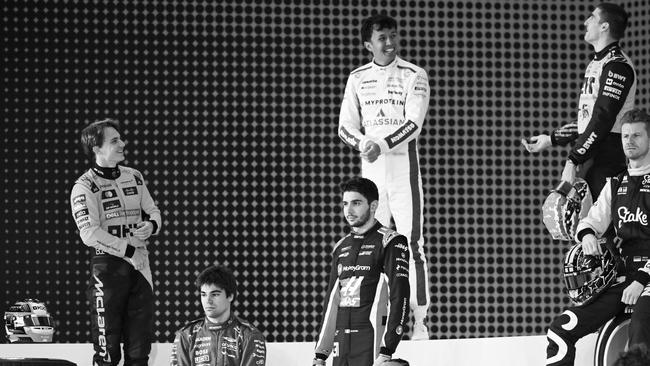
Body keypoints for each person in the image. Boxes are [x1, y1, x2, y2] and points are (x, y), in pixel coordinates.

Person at [337, 13, 431, 340]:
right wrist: (365, 143)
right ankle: (375, 321)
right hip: (371, 171)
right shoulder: (357, 77)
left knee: (409, 243)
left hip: (403, 167)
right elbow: (344, 126)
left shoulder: (414, 74)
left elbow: (413, 123)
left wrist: (381, 143)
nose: (389, 43)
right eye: (382, 38)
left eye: (393, 35)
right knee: (373, 245)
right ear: (368, 44)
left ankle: (418, 323)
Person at [545, 108, 650, 366]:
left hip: (647, 278)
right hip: (623, 276)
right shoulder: (616, 183)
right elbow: (592, 220)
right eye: (625, 136)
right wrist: (588, 234)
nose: (629, 141)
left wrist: (642, 279)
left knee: (638, 343)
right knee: (561, 331)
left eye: (636, 135)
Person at [70, 119, 162, 366]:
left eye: (120, 138)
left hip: (140, 267)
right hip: (108, 268)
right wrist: (129, 249)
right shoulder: (84, 186)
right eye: (114, 141)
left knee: (139, 350)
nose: (122, 143)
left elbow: (153, 210)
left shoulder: (135, 176)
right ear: (97, 149)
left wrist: (151, 225)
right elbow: (89, 233)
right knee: (108, 352)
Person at [523, 2, 636, 200]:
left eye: (591, 17)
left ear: (604, 26)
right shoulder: (597, 62)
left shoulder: (617, 66)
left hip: (606, 158)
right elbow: (588, 120)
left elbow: (602, 119)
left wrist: (572, 160)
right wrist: (551, 139)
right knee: (583, 227)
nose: (585, 22)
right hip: (591, 155)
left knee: (598, 228)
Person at [313, 177, 410, 366]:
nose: (348, 211)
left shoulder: (391, 241)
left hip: (372, 340)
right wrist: (320, 353)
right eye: (345, 203)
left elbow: (400, 296)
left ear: (373, 206)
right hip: (341, 343)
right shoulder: (341, 246)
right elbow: (332, 301)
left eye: (356, 203)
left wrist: (387, 348)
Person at [170, 265, 266, 366]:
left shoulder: (249, 336)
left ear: (230, 296)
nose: (208, 301)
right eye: (203, 294)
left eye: (215, 294)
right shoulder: (185, 335)